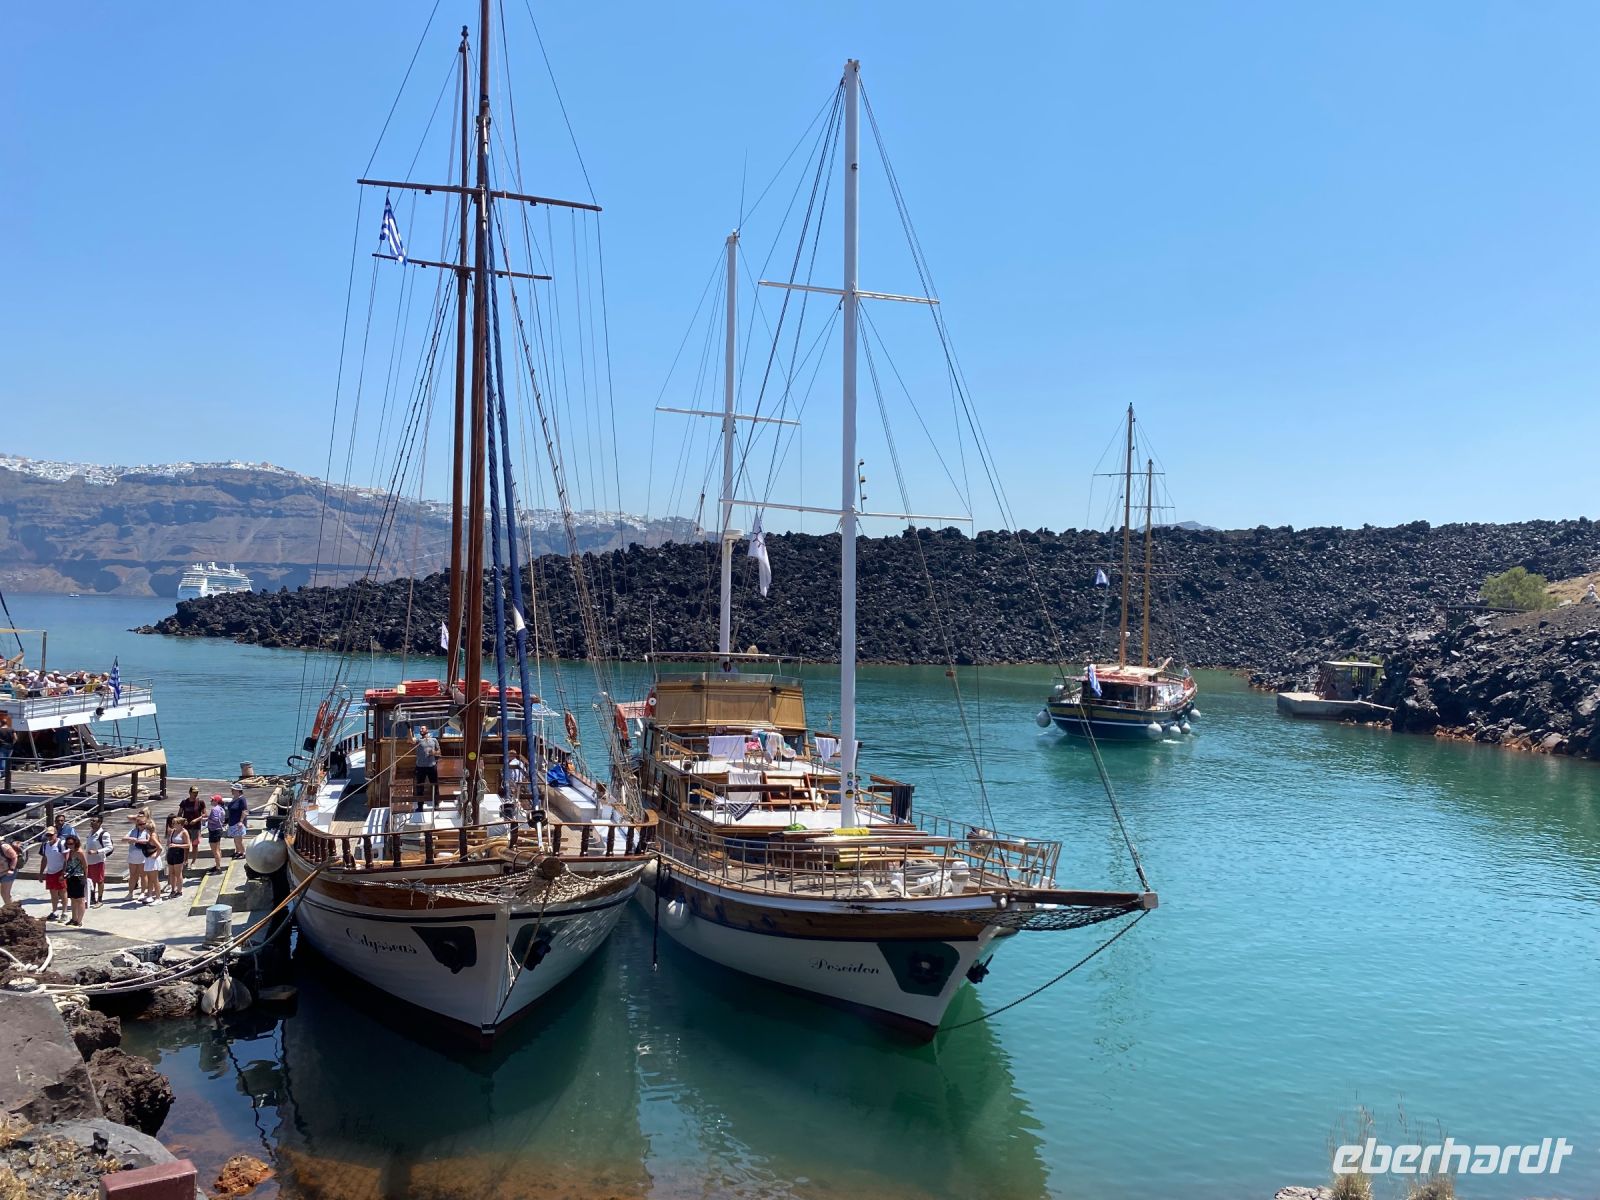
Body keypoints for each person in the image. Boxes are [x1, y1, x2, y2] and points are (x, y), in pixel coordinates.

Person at [38, 827, 67, 921]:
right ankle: (55, 911)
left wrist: (63, 873)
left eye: (51, 835)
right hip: (50, 872)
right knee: (53, 893)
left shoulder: (61, 844)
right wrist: (41, 873)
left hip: (60, 871)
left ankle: (64, 912)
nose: (49, 837)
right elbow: (44, 859)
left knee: (63, 893)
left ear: (56, 834)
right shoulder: (45, 845)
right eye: (48, 835)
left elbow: (66, 859)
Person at [124, 812, 153, 903]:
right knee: (132, 875)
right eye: (139, 824)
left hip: (142, 855)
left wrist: (137, 841)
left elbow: (149, 840)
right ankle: (130, 892)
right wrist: (131, 839)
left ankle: (142, 892)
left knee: (143, 874)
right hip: (133, 855)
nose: (141, 826)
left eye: (143, 824)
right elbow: (124, 838)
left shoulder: (147, 831)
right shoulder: (133, 831)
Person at [83, 815, 111, 907]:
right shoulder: (90, 833)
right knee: (90, 881)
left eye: (94, 821)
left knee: (99, 880)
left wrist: (97, 851)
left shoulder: (104, 834)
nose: (91, 822)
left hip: (98, 861)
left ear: (99, 823)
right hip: (88, 861)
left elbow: (109, 847)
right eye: (91, 821)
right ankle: (92, 898)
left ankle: (100, 899)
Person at [61, 835, 88, 926]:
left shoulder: (80, 852)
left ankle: (79, 920)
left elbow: (85, 866)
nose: (70, 845)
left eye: (71, 843)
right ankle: (74, 918)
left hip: (79, 877)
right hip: (71, 877)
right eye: (68, 844)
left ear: (76, 843)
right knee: (73, 899)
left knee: (80, 899)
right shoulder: (70, 852)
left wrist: (85, 878)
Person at [163, 815, 191, 899]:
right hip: (171, 852)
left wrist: (176, 845)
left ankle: (179, 890)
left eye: (174, 823)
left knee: (178, 873)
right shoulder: (172, 831)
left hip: (178, 853)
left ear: (180, 824)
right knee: (171, 872)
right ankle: (173, 889)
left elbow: (188, 845)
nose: (173, 825)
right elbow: (169, 841)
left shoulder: (184, 832)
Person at [413, 724, 441, 810]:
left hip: (431, 766)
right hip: (420, 767)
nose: (421, 730)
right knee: (420, 787)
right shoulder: (418, 740)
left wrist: (434, 753)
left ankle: (436, 804)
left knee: (435, 785)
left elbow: (439, 752)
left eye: (422, 728)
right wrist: (409, 728)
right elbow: (410, 740)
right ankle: (420, 806)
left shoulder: (434, 740)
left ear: (427, 730)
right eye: (420, 729)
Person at [225, 783, 249, 861]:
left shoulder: (242, 799)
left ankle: (243, 853)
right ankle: (238, 851)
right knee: (235, 839)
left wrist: (241, 821)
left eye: (233, 789)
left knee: (239, 840)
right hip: (232, 822)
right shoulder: (234, 798)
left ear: (238, 790)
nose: (231, 791)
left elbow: (244, 811)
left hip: (238, 822)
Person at [205, 794, 227, 873]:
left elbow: (215, 820)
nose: (211, 801)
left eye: (212, 800)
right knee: (218, 849)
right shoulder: (221, 809)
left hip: (214, 830)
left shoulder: (214, 809)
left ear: (216, 801)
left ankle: (218, 868)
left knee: (215, 850)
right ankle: (218, 865)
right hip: (219, 830)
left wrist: (207, 819)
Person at [0, 837, 22, 906]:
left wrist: (11, 869)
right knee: (4, 893)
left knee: (5, 893)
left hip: (8, 872)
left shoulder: (5, 847)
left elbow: (14, 857)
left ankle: (10, 909)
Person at [0, 713, 14, 780]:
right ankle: (8, 774)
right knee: (8, 760)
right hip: (10, 747)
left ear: (1, 723)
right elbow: (16, 738)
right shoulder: (11, 729)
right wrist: (12, 743)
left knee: (3, 760)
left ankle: (3, 774)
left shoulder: (0, 730)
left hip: (3, 746)